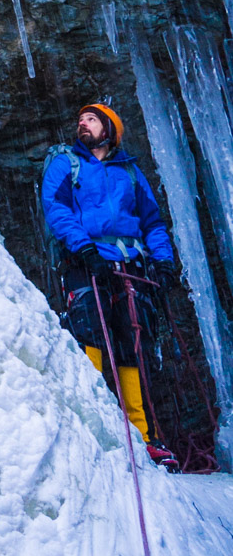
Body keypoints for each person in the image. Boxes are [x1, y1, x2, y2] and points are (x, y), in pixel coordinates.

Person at [41, 102, 178, 465]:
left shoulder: (129, 172)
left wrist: (164, 263)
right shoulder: (66, 163)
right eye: (80, 119)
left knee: (132, 340)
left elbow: (153, 222)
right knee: (89, 332)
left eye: (91, 119)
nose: (81, 123)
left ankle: (142, 435)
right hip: (85, 260)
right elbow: (57, 208)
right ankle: (96, 425)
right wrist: (84, 249)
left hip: (130, 264)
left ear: (109, 129)